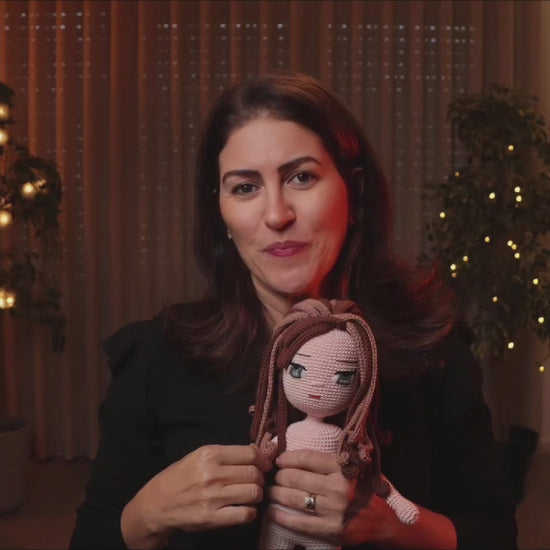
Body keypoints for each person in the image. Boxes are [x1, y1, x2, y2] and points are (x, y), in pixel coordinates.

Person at [70, 72, 517, 550]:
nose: (276, 214)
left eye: (302, 177)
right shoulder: (157, 355)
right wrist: (148, 513)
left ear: (354, 194)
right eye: (245, 187)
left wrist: (391, 526)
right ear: (221, 213)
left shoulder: (435, 354)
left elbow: (495, 537)